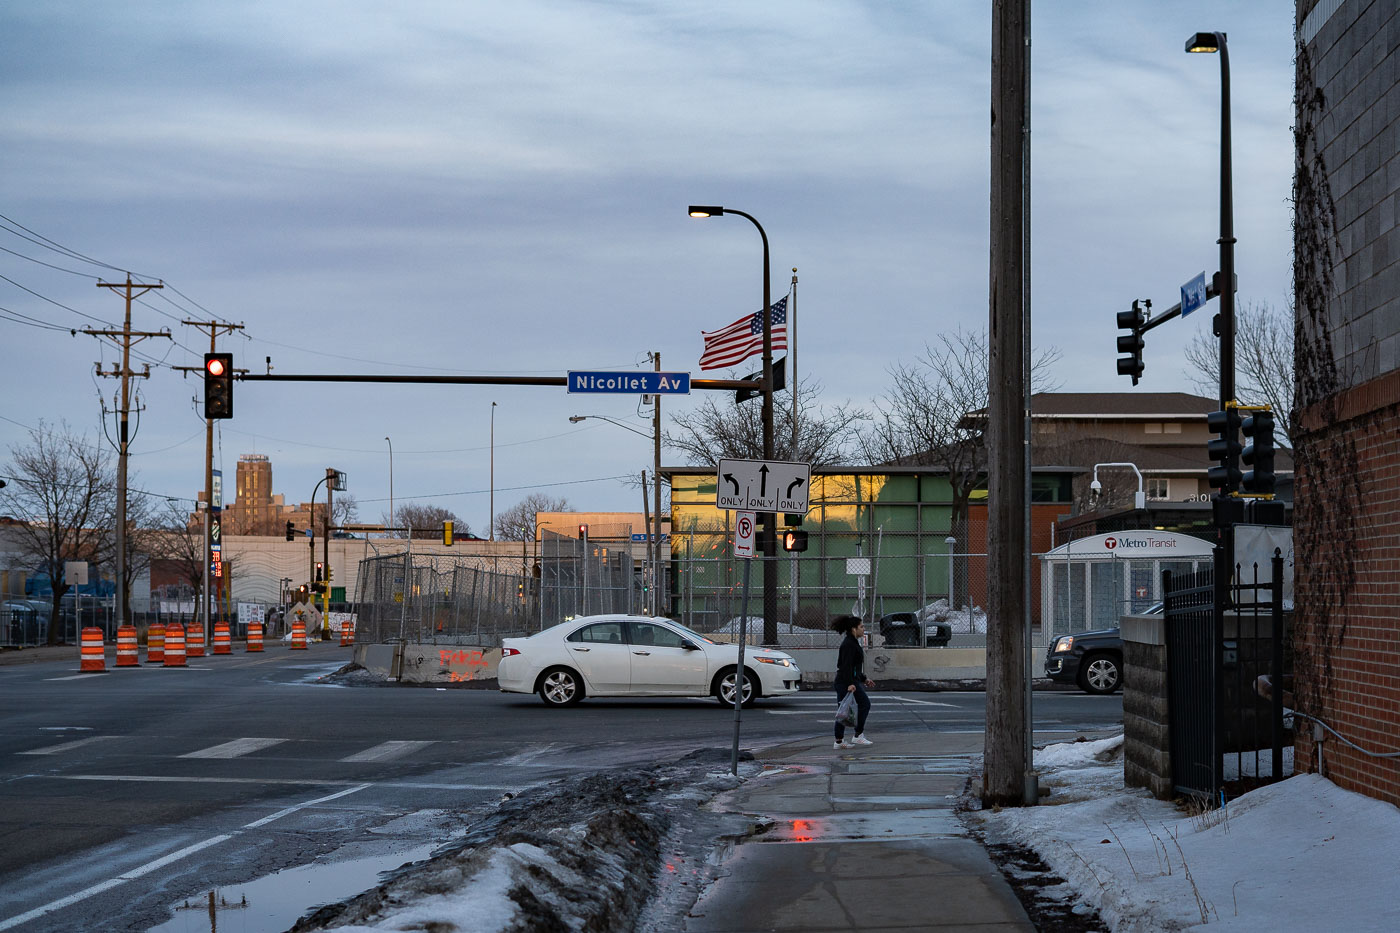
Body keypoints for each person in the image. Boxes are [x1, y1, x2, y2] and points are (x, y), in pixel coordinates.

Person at [831, 614, 875, 749]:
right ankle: (854, 736)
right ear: (853, 629)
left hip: (850, 681)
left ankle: (844, 739)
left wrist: (864, 679)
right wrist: (850, 683)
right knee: (851, 708)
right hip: (845, 682)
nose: (863, 629)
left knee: (845, 710)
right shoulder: (849, 644)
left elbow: (855, 667)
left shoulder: (853, 642)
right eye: (861, 627)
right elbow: (846, 666)